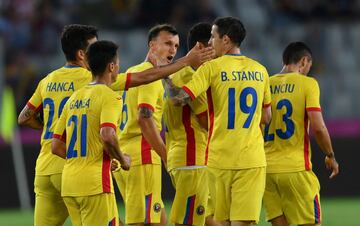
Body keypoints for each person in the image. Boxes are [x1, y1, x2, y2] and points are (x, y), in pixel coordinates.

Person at [17, 24, 214, 226]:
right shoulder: (95, 81)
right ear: (82, 54)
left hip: (45, 169)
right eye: (93, 47)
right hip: (86, 166)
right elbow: (144, 79)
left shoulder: (48, 80)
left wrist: (66, 131)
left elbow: (24, 117)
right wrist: (186, 61)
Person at [172, 17, 272, 226]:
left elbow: (181, 99)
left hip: (218, 159)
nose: (210, 42)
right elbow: (266, 116)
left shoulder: (211, 68)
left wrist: (167, 78)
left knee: (221, 222)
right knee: (243, 222)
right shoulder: (261, 70)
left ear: (225, 40)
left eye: (212, 37)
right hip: (251, 159)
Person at [51, 40, 130, 226]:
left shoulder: (73, 98)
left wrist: (87, 159)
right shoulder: (111, 96)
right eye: (117, 64)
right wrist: (122, 160)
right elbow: (108, 135)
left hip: (70, 184)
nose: (118, 68)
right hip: (95, 185)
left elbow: (56, 146)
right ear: (111, 66)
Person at [262, 41, 339, 226]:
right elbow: (318, 127)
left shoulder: (265, 83)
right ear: (304, 61)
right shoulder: (308, 83)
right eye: (309, 66)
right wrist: (330, 155)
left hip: (266, 171)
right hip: (295, 169)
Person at [112, 24, 180, 226]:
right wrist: (166, 155)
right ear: (152, 45)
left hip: (124, 155)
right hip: (142, 156)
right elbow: (145, 118)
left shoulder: (132, 73)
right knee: (143, 221)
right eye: (167, 43)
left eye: (176, 45)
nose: (173, 50)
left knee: (157, 219)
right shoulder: (150, 77)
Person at [163, 22, 217, 226]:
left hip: (181, 156)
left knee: (208, 217)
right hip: (192, 159)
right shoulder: (191, 78)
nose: (217, 56)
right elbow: (206, 123)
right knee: (189, 221)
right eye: (213, 48)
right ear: (201, 48)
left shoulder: (177, 73)